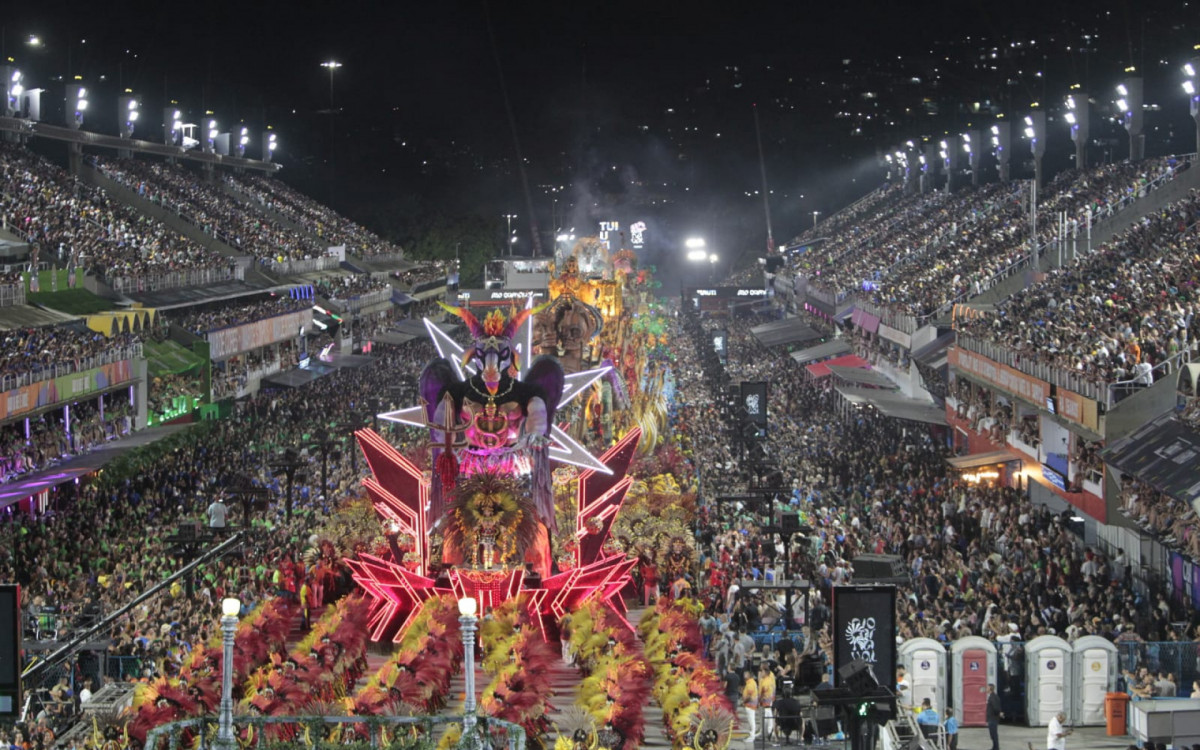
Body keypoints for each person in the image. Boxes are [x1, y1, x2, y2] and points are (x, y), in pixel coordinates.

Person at [742, 666, 759, 742]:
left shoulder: (751, 683)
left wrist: (744, 702)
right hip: (750, 705)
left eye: (746, 674)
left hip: (750, 705)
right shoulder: (750, 682)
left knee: (751, 721)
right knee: (751, 720)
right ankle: (751, 734)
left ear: (749, 675)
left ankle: (752, 737)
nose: (744, 675)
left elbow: (749, 696)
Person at [986, 683, 1003, 750]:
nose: (986, 689)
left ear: (990, 689)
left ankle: (996, 747)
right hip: (992, 718)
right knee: (992, 734)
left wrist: (998, 713)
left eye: (987, 688)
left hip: (993, 718)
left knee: (993, 734)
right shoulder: (992, 696)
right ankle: (995, 746)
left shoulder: (993, 697)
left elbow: (996, 708)